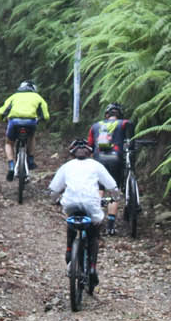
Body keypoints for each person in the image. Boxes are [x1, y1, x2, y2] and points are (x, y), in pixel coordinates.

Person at [49, 140, 117, 294]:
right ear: (90, 152)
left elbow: (53, 189)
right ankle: (92, 268)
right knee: (93, 234)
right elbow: (112, 186)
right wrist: (115, 197)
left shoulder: (66, 167)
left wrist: (56, 200)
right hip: (91, 204)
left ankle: (69, 251)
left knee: (71, 224)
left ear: (72, 153)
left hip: (71, 204)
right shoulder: (96, 165)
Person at [87, 103, 131, 234]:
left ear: (106, 115)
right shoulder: (125, 123)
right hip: (115, 158)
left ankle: (96, 221)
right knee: (113, 189)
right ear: (120, 115)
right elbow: (131, 142)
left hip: (99, 159)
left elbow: (89, 146)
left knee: (99, 189)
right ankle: (110, 226)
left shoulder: (95, 126)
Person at [0, 80, 50, 181]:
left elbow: (2, 112)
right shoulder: (38, 97)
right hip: (30, 122)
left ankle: (11, 166)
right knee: (31, 136)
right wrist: (41, 120)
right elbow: (45, 115)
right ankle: (30, 160)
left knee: (9, 143)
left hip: (14, 122)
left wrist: (1, 118)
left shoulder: (14, 96)